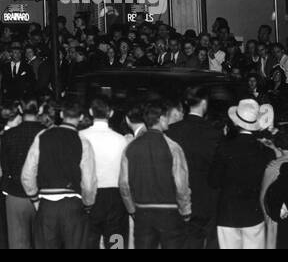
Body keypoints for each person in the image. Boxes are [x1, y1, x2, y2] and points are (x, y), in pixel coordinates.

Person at [19, 99, 95, 249]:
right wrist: (87, 204)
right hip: (73, 206)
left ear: (61, 114)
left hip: (47, 204)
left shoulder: (43, 135)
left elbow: (27, 175)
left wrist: (35, 199)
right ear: (80, 118)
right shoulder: (83, 141)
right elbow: (88, 182)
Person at [119, 103, 191, 250]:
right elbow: (180, 184)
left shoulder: (131, 147)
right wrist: (185, 210)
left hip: (143, 212)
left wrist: (132, 209)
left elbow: (124, 184)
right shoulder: (173, 147)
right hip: (169, 212)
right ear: (161, 119)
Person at [210, 99, 275, 249]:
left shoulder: (224, 148)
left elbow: (213, 181)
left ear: (236, 123)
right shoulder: (266, 152)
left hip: (227, 214)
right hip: (253, 213)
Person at [166, 86, 221, 249]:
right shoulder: (213, 132)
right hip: (205, 201)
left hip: (175, 199)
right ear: (204, 103)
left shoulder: (172, 131)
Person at [80, 96, 129, 249]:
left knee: (89, 241)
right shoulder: (121, 140)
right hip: (115, 199)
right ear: (111, 113)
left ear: (90, 112)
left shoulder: (81, 137)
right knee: (116, 241)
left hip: (88, 196)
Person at [0, 99, 41, 249]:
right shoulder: (47, 134)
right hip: (41, 194)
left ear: (21, 110)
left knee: (17, 243)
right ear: (40, 110)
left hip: (15, 194)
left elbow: (3, 165)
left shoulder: (9, 135)